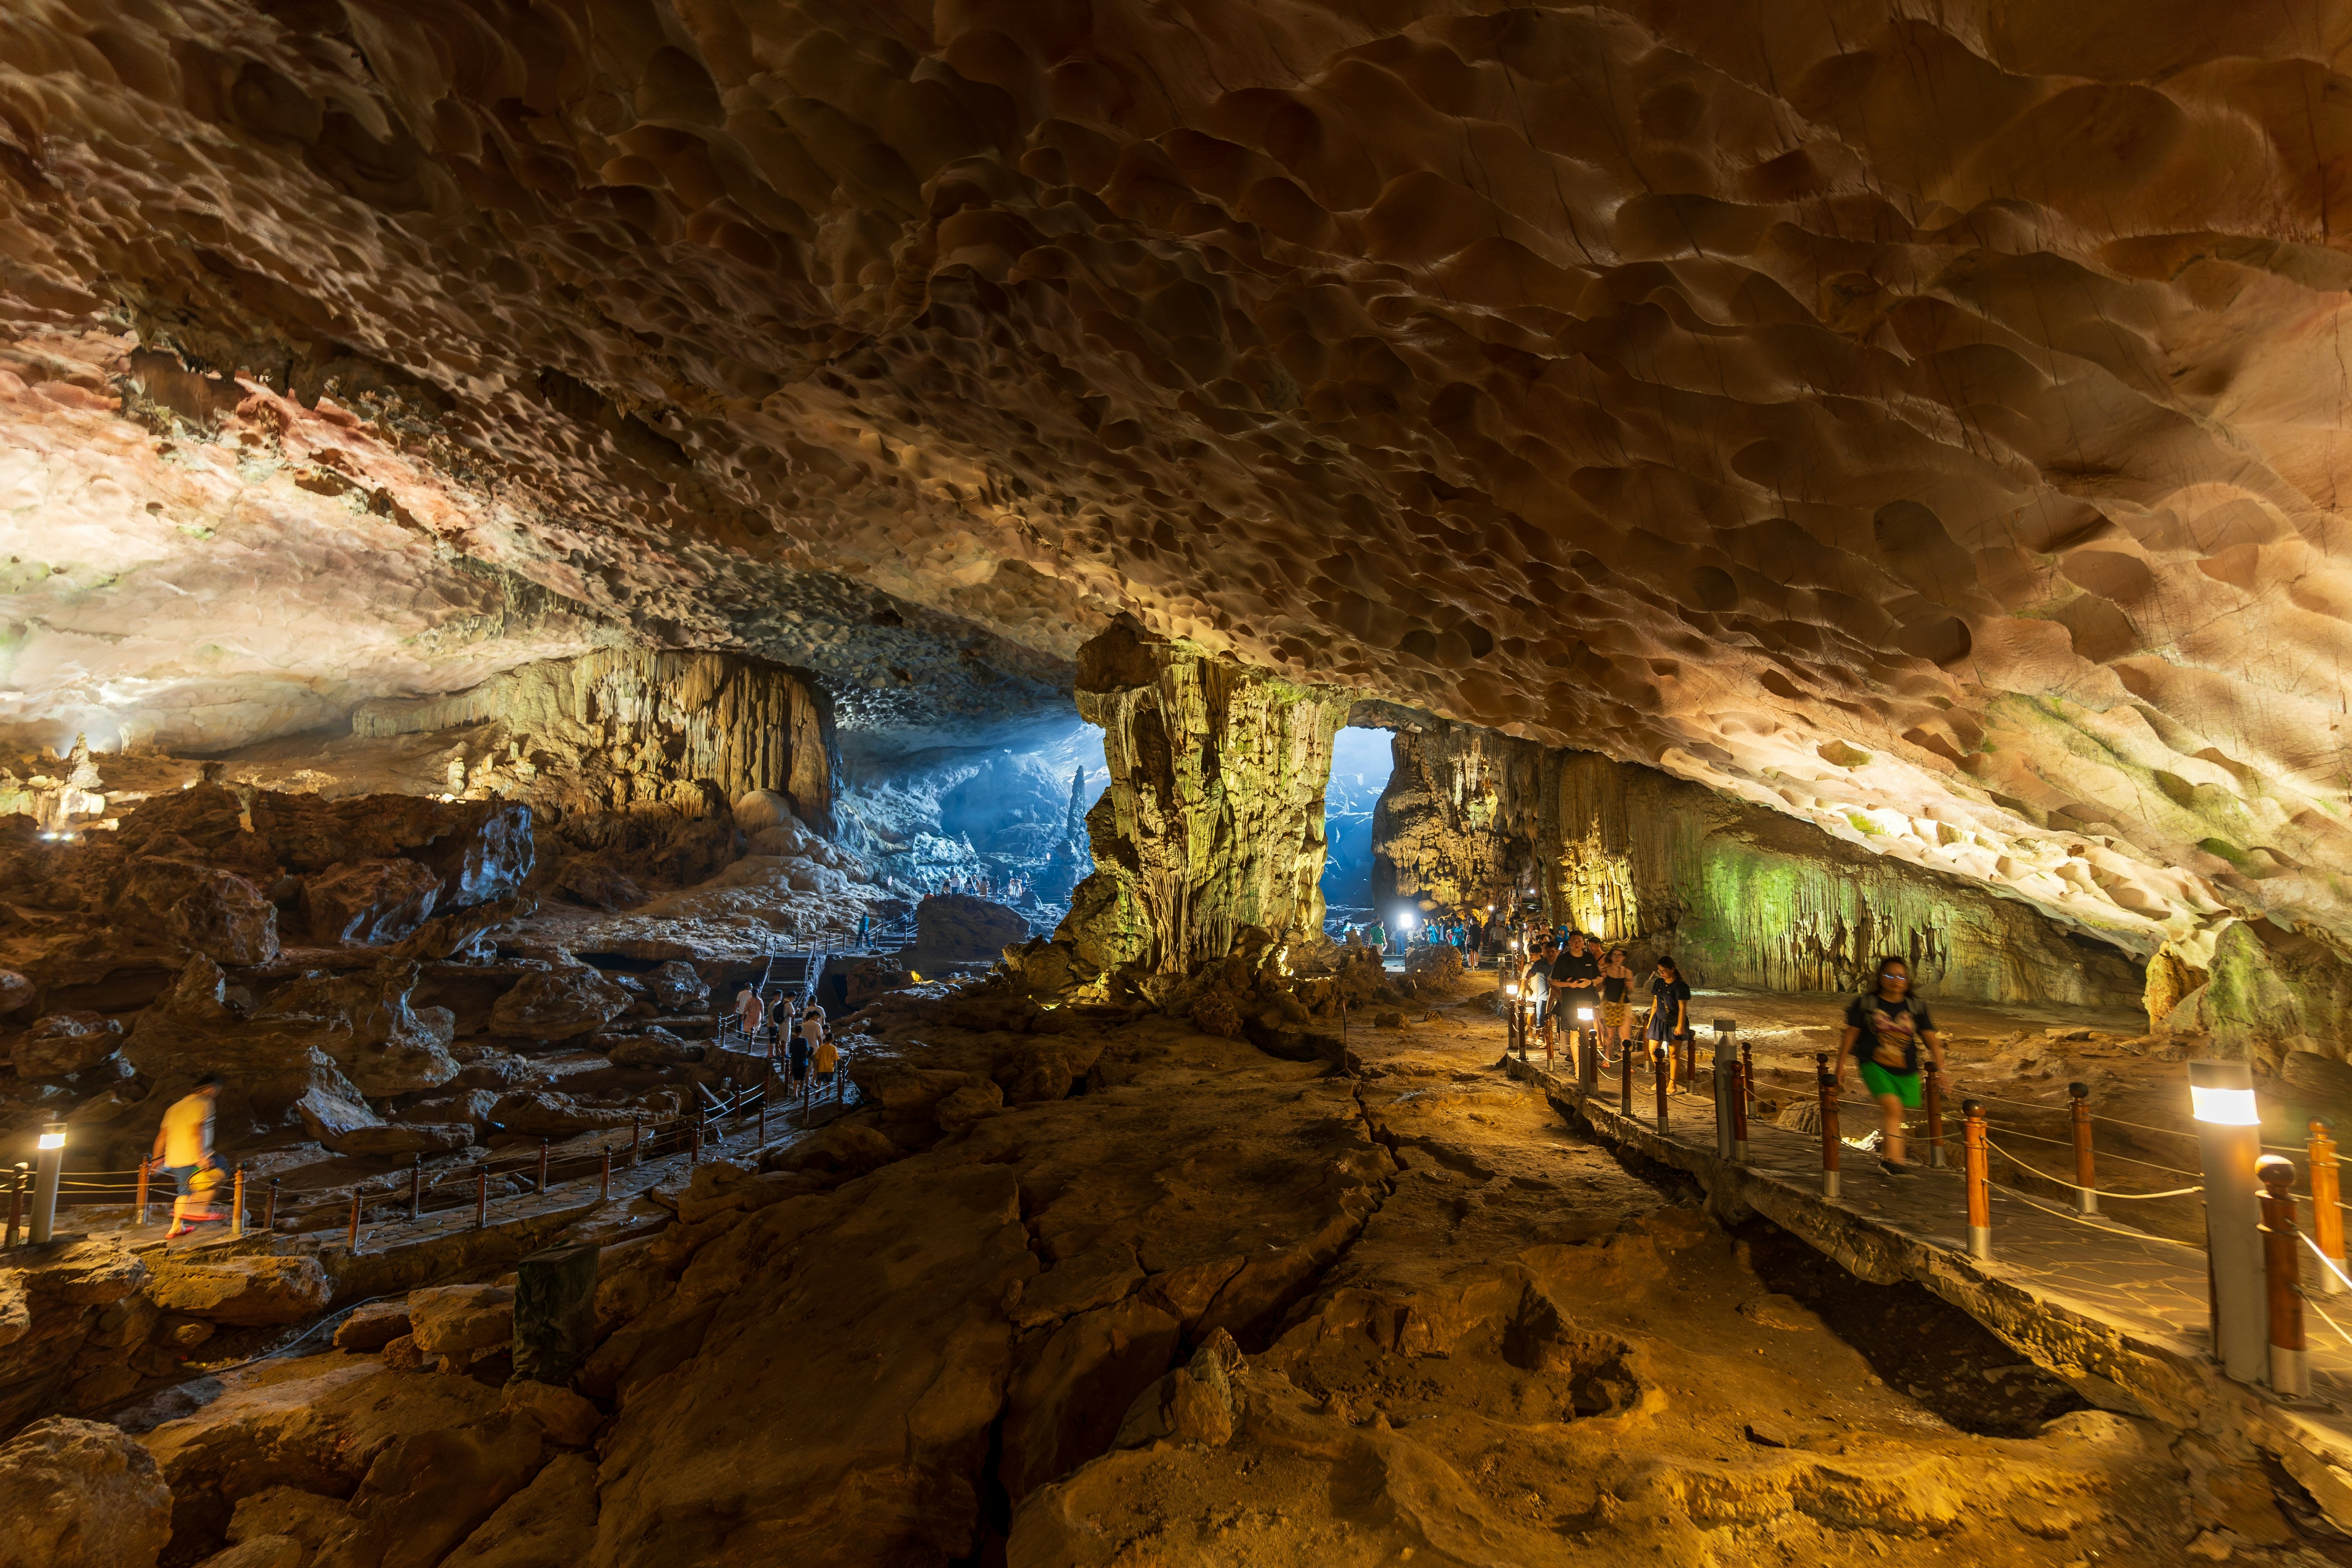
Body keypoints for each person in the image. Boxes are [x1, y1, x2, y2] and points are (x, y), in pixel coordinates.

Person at [1837, 956, 1949, 1176]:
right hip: (1873, 1065)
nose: (1895, 981)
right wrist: (1839, 1066)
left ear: (1908, 981)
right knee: (1893, 1107)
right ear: (1880, 978)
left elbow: (1931, 1040)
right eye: (1890, 975)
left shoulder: (1916, 1007)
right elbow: (1851, 1035)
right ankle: (1895, 1162)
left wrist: (1942, 1071)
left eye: (1901, 976)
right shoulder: (1866, 1003)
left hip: (1906, 1069)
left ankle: (1890, 1159)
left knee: (1898, 1114)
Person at [153, 1075, 224, 1240]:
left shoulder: (175, 1107)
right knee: (221, 1171)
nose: (216, 1094)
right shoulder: (205, 1103)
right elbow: (196, 1130)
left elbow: (162, 1135)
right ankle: (198, 1209)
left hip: (175, 1159)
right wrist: (202, 1156)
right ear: (210, 1089)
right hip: (193, 1157)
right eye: (217, 1090)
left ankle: (176, 1228)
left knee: (184, 1191)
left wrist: (157, 1159)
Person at [1646, 956, 1691, 1083]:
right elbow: (1655, 1002)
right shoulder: (1659, 983)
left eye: (1664, 971)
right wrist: (1650, 1021)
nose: (1661, 973)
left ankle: (1673, 1084)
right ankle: (1662, 1079)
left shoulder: (1681, 986)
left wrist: (1680, 1026)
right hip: (1659, 1019)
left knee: (1673, 1053)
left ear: (1672, 969)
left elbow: (1682, 1007)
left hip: (1674, 1020)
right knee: (1653, 1050)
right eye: (1659, 971)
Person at [1551, 932, 1602, 1039]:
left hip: (1587, 1000)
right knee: (1574, 1031)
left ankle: (1585, 1055)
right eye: (1574, 941)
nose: (1577, 944)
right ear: (1569, 942)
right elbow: (1554, 981)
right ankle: (1575, 1056)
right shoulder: (1562, 959)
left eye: (1579, 941)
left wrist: (1591, 982)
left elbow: (1600, 978)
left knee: (1587, 1029)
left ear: (1584, 943)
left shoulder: (1589, 958)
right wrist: (1567, 984)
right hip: (1570, 1000)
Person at [1599, 946, 1634, 1062]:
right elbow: (1599, 988)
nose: (1617, 958)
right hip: (1608, 1004)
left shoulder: (1628, 972)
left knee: (1625, 1034)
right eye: (1614, 955)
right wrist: (1602, 979)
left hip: (1624, 1004)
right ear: (1610, 957)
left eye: (1620, 955)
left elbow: (1631, 991)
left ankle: (1626, 1060)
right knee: (1609, 1034)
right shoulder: (1605, 970)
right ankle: (1607, 1056)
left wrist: (1631, 988)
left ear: (1624, 957)